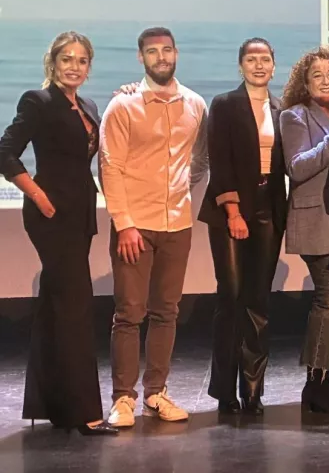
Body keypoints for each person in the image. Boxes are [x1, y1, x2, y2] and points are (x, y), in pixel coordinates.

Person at [0, 32, 116, 436]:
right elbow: (5, 151)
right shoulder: (39, 100)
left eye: (82, 60)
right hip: (50, 215)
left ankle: (49, 403)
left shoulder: (87, 104)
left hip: (80, 213)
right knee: (75, 307)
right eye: (67, 58)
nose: (74, 66)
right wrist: (36, 194)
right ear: (52, 61)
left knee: (56, 305)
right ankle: (84, 412)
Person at [100, 27, 208, 427]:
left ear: (176, 53)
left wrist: (182, 189)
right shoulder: (124, 106)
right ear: (140, 58)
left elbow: (200, 158)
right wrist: (124, 224)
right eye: (152, 52)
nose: (160, 57)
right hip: (135, 226)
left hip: (177, 224)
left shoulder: (196, 104)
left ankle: (156, 393)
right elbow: (110, 166)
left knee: (167, 312)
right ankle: (123, 397)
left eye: (166, 50)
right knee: (129, 313)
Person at [197, 38, 287, 415]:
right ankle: (223, 391)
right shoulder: (224, 104)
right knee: (231, 295)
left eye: (265, 58)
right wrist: (233, 212)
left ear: (274, 65)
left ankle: (252, 389)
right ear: (240, 66)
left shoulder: (282, 108)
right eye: (251, 59)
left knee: (258, 300)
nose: (258, 65)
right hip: (230, 208)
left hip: (269, 206)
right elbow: (218, 159)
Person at [280, 46, 329, 414]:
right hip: (318, 219)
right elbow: (297, 167)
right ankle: (315, 385)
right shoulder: (295, 116)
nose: (325, 80)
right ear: (304, 82)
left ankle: (322, 380)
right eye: (317, 76)